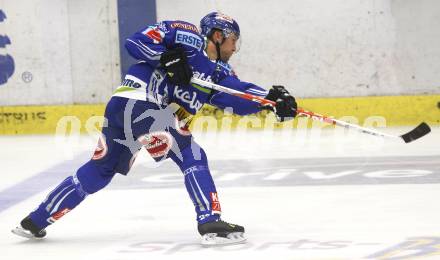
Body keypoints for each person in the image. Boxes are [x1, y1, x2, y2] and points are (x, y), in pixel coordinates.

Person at [12, 12, 297, 245]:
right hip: (142, 103)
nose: (234, 48)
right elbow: (135, 41)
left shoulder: (217, 74)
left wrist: (270, 100)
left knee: (101, 169)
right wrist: (165, 57)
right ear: (218, 35)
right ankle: (210, 221)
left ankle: (36, 220)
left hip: (123, 108)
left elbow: (236, 93)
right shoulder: (188, 36)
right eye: (232, 40)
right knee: (191, 153)